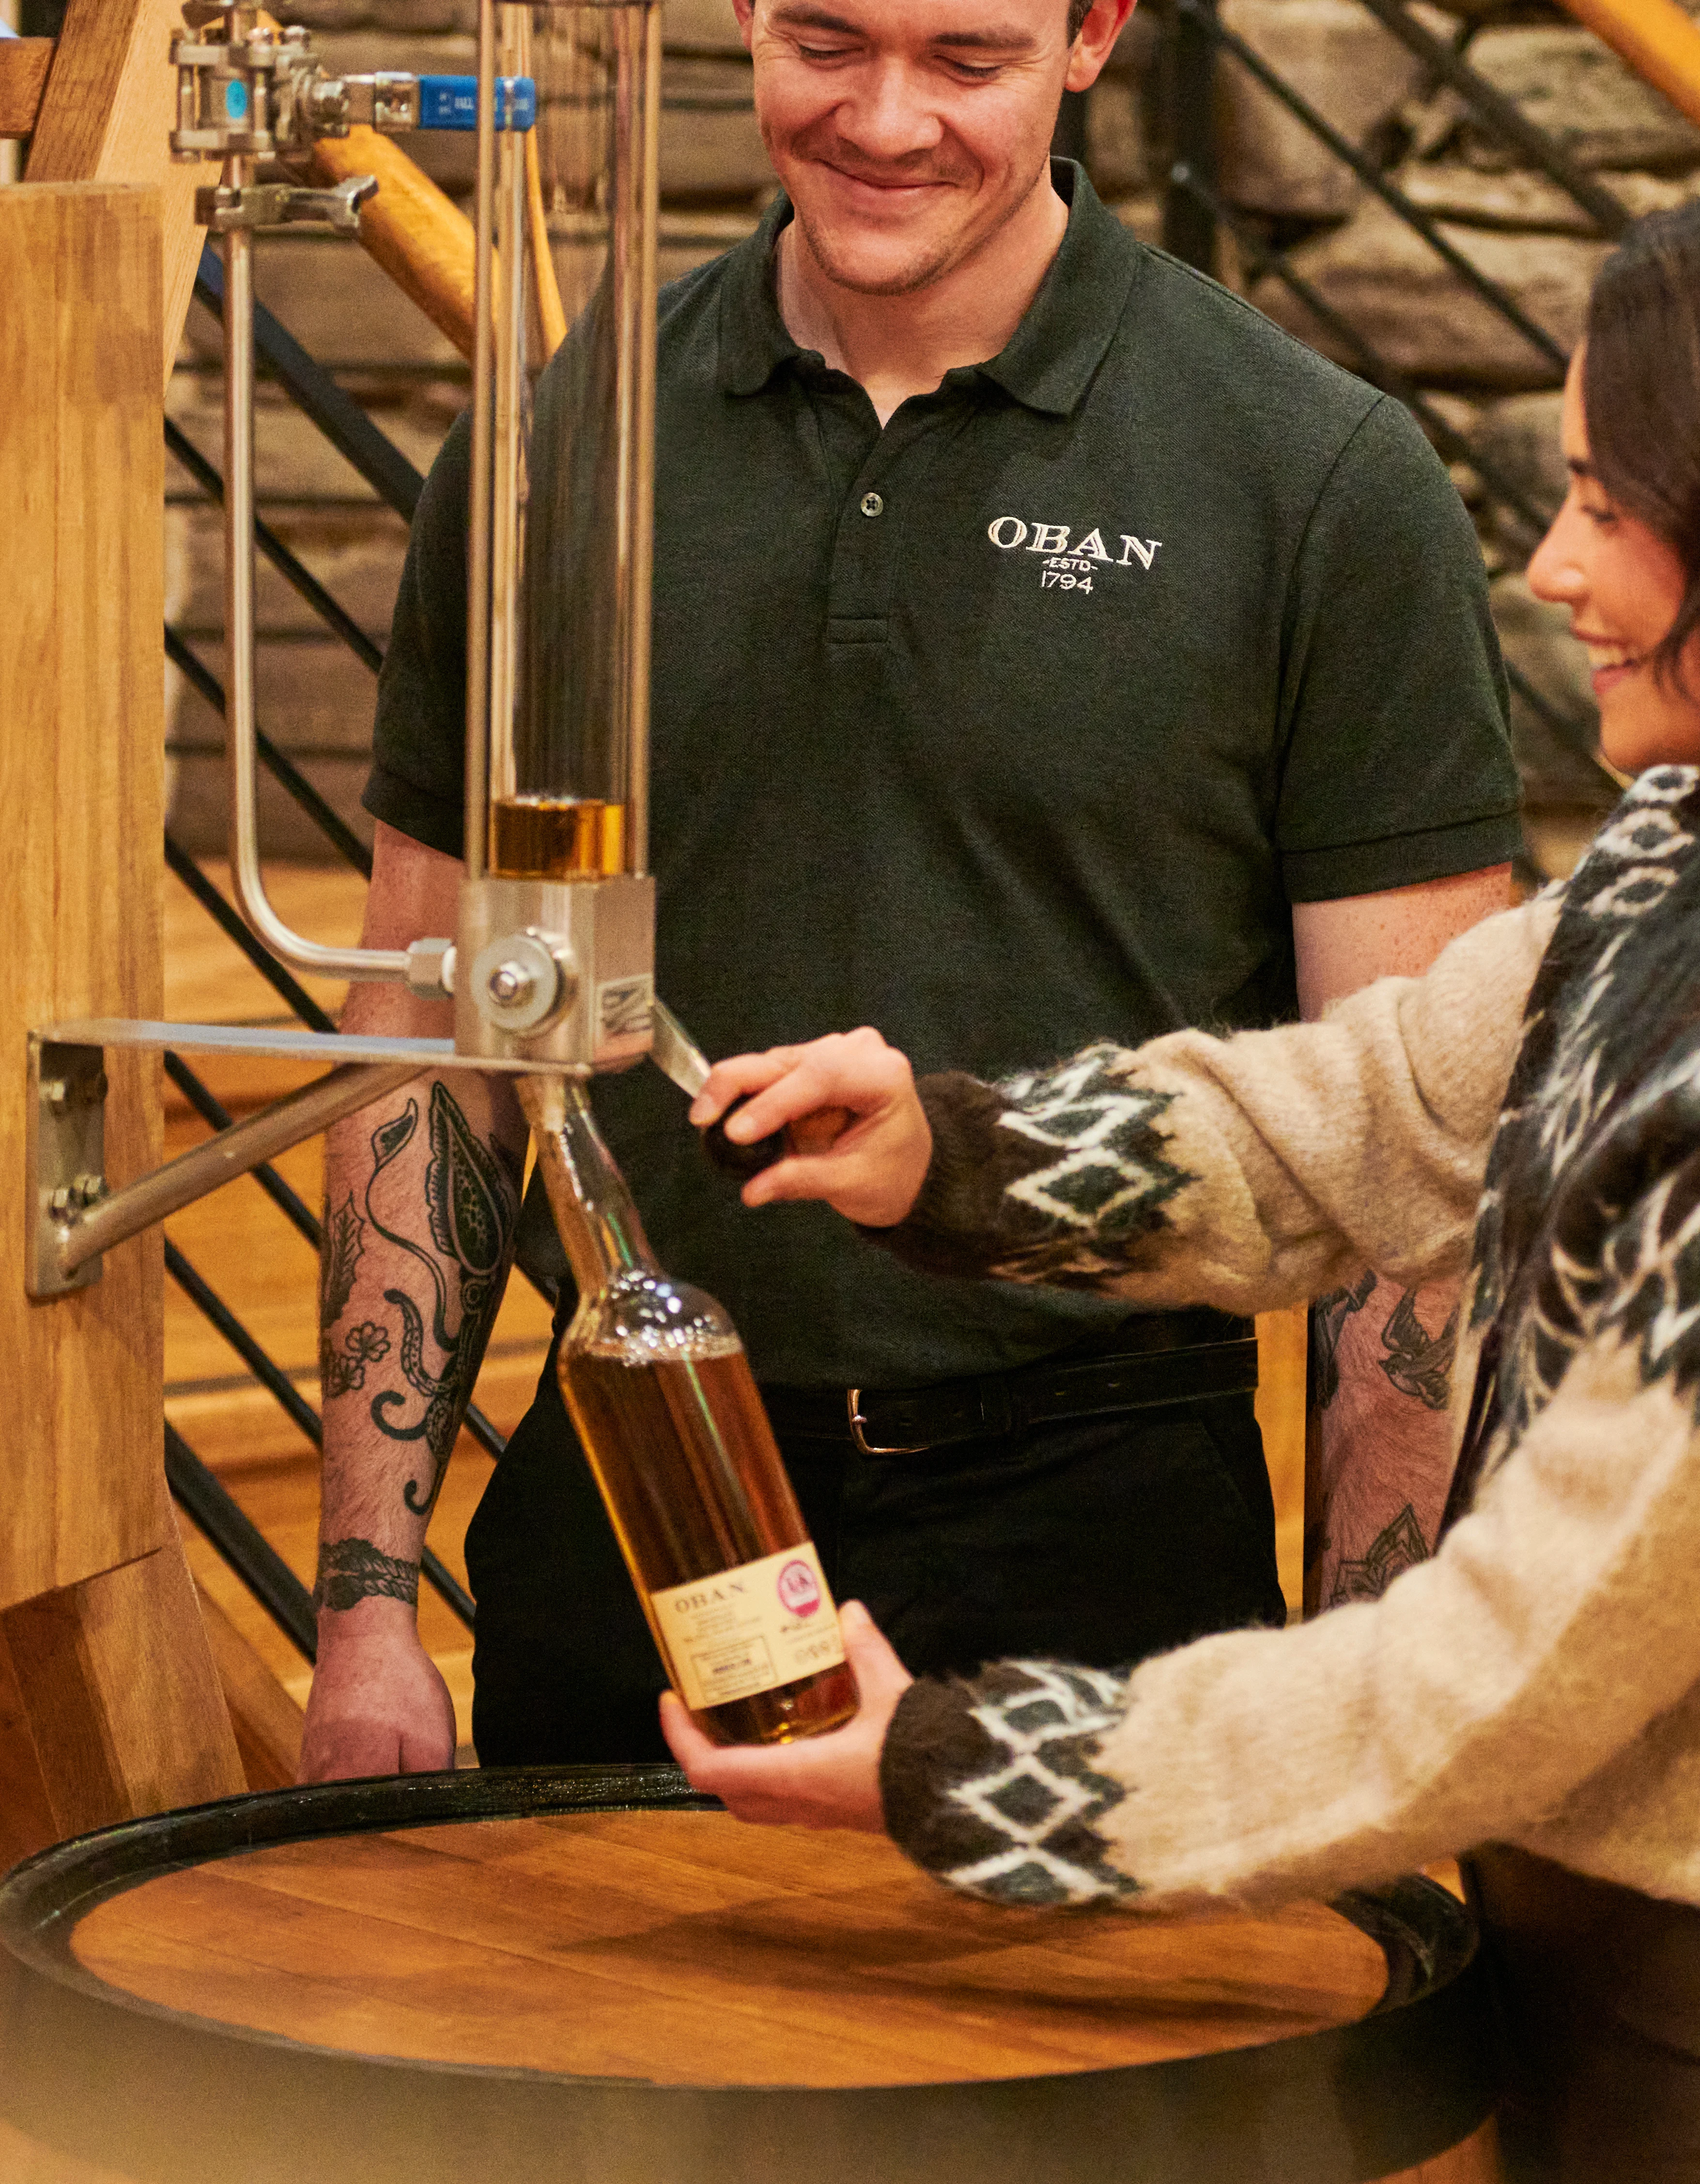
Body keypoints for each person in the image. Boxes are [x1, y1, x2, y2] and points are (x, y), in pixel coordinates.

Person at [663, 170, 1700, 2182]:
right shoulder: (1698, 848)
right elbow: (1368, 1114)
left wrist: (964, 1765)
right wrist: (952, 1149)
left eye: (1608, 508)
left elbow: (1505, 1663)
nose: (1550, 566)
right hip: (1604, 1955)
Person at [299, 0, 1523, 1781]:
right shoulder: (558, 435)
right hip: (632, 1503)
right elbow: (426, 1019)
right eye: (826, 41)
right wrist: (361, 1610)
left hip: (1097, 1534)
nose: (884, 120)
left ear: (1094, 33)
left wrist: (1362, 1733)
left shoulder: (1320, 478)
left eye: (965, 58)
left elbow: (1412, 1157)